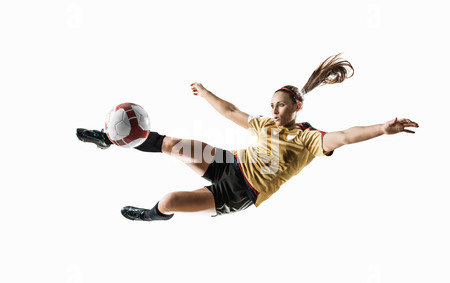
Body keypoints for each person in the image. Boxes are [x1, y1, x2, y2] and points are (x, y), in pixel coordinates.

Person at [77, 54, 419, 222]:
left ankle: (151, 216)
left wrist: (381, 129)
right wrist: (205, 91)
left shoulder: (309, 140)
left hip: (240, 191)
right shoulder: (266, 125)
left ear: (296, 107)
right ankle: (113, 138)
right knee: (170, 144)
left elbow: (344, 135)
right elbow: (230, 111)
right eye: (271, 105)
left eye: (281, 106)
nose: (274, 110)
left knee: (168, 201)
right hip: (231, 161)